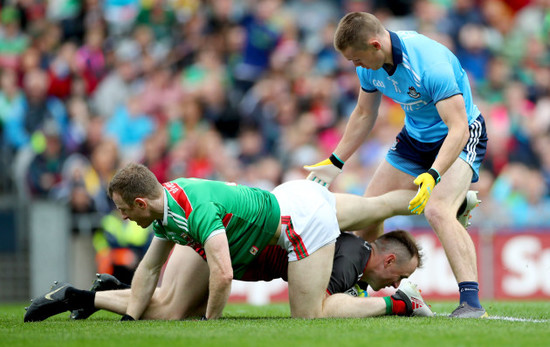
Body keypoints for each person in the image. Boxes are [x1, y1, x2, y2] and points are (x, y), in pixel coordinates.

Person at [24, 162, 432, 322]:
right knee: (166, 311)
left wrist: (210, 327)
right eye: (121, 210)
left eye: (123, 209)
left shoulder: (190, 209)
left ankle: (404, 297)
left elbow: (224, 273)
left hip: (298, 212)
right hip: (292, 202)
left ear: (141, 200)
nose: (122, 216)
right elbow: (149, 269)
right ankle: (80, 297)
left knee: (311, 317)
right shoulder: (168, 210)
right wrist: (130, 318)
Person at [304, 12, 488, 318]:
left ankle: (471, 303)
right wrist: (335, 161)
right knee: (368, 209)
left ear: (376, 45)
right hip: (414, 138)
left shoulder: (429, 64)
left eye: (357, 59)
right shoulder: (370, 68)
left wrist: (433, 175)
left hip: (461, 135)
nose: (355, 66)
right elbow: (364, 114)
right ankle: (358, 289)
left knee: (437, 210)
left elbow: (458, 128)